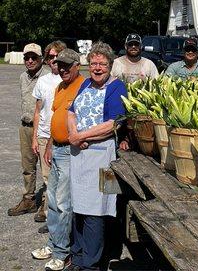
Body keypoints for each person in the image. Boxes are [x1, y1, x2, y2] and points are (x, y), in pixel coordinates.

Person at [66, 41, 128, 270]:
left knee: (98, 210)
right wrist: (74, 134)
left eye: (102, 63)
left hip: (104, 158)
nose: (97, 68)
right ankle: (78, 256)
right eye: (93, 63)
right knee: (79, 208)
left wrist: (81, 136)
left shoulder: (116, 87)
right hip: (80, 156)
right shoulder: (84, 85)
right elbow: (70, 111)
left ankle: (92, 263)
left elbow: (114, 124)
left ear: (110, 65)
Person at [31, 49, 85, 271]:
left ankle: (62, 252)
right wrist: (51, 145)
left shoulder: (84, 86)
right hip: (57, 149)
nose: (61, 69)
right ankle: (53, 244)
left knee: (64, 204)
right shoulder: (60, 87)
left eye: (66, 65)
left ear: (77, 66)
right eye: (58, 64)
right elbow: (56, 117)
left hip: (72, 152)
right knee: (52, 200)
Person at [8, 43, 49, 217]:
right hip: (25, 126)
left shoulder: (48, 77)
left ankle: (47, 204)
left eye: (34, 57)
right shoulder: (22, 77)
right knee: (27, 167)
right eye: (27, 57)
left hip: (43, 128)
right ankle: (29, 199)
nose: (30, 61)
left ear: (41, 59)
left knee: (46, 168)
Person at [31, 41, 66, 228]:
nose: (53, 60)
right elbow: (37, 111)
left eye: (56, 56)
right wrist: (35, 137)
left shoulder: (67, 79)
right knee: (47, 178)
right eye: (50, 57)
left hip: (62, 136)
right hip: (44, 135)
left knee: (61, 179)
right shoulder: (42, 81)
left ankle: (57, 215)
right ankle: (48, 213)